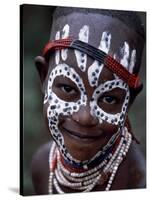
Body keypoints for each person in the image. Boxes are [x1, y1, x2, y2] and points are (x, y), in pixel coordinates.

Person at [31, 6, 146, 195]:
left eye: (109, 98)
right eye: (68, 89)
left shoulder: (139, 182)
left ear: (128, 101)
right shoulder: (41, 166)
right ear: (44, 78)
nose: (85, 117)